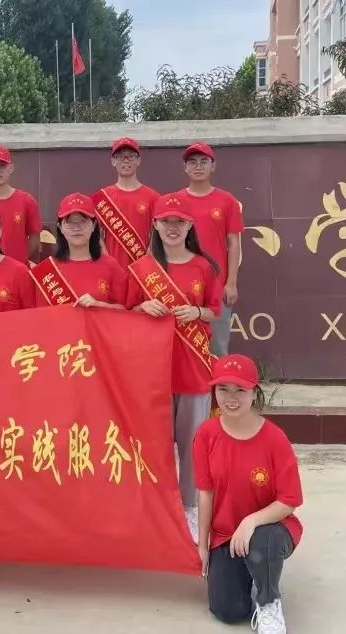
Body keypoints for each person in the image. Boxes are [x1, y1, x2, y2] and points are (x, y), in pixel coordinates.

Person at [126, 193, 221, 542]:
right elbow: (125, 312)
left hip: (193, 367)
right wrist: (142, 309)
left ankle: (190, 508)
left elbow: (214, 310)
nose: (172, 228)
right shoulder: (142, 269)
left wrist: (196, 312)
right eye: (165, 221)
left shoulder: (204, 266)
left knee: (192, 444)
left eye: (179, 222)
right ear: (155, 225)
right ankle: (157, 509)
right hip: (154, 371)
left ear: (189, 225)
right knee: (156, 444)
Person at [195, 354, 303, 632]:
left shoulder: (275, 439)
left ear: (254, 392)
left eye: (240, 390)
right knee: (229, 612)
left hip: (271, 528)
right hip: (226, 535)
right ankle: (250, 573)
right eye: (223, 389)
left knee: (262, 542)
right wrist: (203, 545)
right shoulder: (206, 434)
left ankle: (269, 601)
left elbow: (289, 501)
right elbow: (205, 493)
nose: (231, 398)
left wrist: (251, 521)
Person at [177, 142, 243, 357]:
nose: (198, 166)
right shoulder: (175, 201)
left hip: (217, 284)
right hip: (182, 284)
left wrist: (231, 283)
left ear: (213, 166)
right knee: (183, 348)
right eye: (192, 162)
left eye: (203, 161)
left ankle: (218, 380)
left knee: (217, 346)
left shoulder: (227, 201)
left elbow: (234, 243)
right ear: (185, 167)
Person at [31, 193, 126, 308]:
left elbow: (126, 311)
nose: (76, 228)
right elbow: (40, 315)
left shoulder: (110, 266)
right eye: (70, 222)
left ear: (93, 225)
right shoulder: (47, 272)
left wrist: (99, 305)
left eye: (83, 221)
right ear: (60, 228)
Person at [91, 137, 160, 270]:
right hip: (111, 269)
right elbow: (94, 234)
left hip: (143, 270)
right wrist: (106, 259)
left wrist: (148, 259)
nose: (126, 161)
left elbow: (158, 233)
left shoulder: (153, 197)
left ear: (139, 160)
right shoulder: (101, 198)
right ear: (113, 161)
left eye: (131, 156)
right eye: (121, 156)